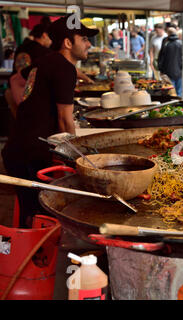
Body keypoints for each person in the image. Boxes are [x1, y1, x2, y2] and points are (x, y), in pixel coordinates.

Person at [1, 16, 98, 228]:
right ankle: (24, 253)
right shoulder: (64, 68)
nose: (89, 44)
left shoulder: (46, 60)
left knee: (29, 210)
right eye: (83, 38)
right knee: (39, 214)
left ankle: (20, 249)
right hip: (32, 153)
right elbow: (65, 120)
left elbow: (17, 79)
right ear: (68, 43)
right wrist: (80, 161)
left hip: (18, 148)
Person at [158, 27, 182, 97]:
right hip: (179, 71)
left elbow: (161, 57)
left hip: (168, 71)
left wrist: (161, 69)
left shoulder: (166, 43)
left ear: (168, 34)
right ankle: (180, 105)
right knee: (179, 92)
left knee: (170, 91)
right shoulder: (181, 43)